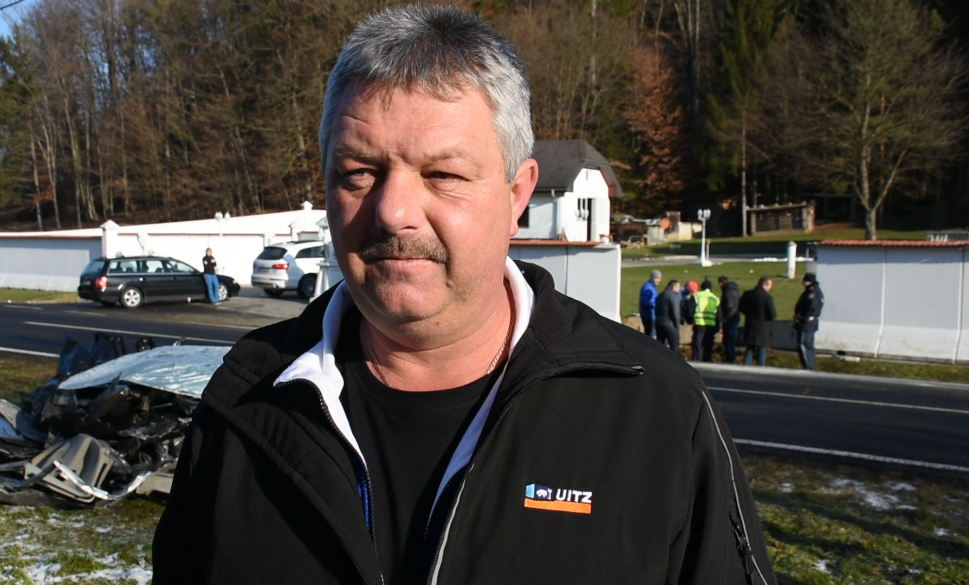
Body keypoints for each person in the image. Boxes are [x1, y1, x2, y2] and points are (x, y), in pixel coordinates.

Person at [152, 6, 776, 585]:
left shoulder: (656, 413)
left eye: (443, 175)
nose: (393, 211)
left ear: (516, 195)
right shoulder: (243, 403)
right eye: (359, 173)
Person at [740, 276, 777, 366]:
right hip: (762, 326)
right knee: (762, 348)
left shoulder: (747, 294)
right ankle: (760, 367)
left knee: (750, 347)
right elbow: (772, 314)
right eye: (770, 285)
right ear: (765, 285)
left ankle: (746, 366)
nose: (770, 288)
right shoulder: (767, 297)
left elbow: (741, 308)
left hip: (750, 324)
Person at [794, 273, 824, 370]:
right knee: (808, 344)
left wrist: (801, 317)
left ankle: (808, 366)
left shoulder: (812, 292)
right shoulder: (815, 291)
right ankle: (809, 365)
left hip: (806, 323)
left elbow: (811, 307)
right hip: (810, 322)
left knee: (803, 344)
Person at [691, 279, 721, 362]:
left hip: (699, 323)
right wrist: (718, 327)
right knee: (709, 345)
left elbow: (690, 310)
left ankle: (696, 359)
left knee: (698, 343)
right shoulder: (715, 298)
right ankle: (707, 360)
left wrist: (690, 320)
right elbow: (719, 315)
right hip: (711, 325)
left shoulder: (697, 296)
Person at [719, 275, 742, 363]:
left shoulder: (727, 291)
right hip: (736, 317)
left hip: (730, 318)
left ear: (721, 283)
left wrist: (725, 318)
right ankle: (732, 359)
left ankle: (730, 359)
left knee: (728, 341)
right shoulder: (736, 289)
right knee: (732, 340)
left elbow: (729, 306)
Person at [654, 279, 681, 352]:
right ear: (673, 286)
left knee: (660, 345)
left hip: (659, 322)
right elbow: (675, 311)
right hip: (670, 323)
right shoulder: (673, 296)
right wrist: (677, 324)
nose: (679, 289)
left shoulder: (660, 295)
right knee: (674, 345)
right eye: (678, 286)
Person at [639, 269, 661, 338]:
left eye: (659, 278)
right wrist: (656, 305)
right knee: (649, 335)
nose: (658, 280)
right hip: (648, 316)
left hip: (649, 315)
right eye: (656, 278)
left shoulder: (652, 287)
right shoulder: (648, 288)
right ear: (652, 278)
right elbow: (644, 302)